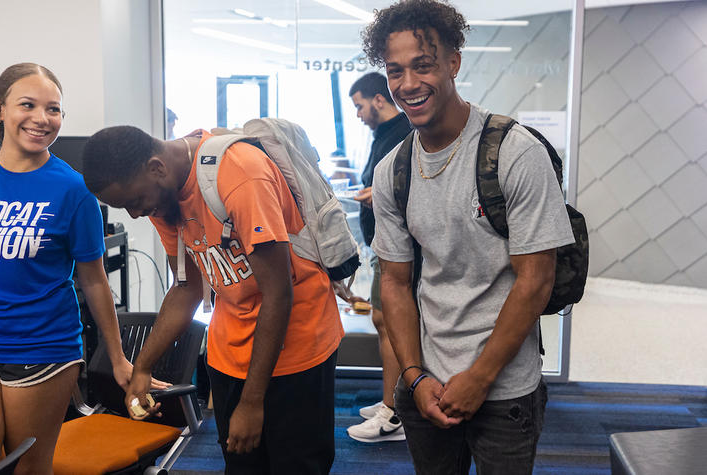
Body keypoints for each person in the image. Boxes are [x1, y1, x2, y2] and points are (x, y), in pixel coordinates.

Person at [363, 1, 575, 473]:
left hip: (504, 388)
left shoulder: (515, 153)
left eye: (423, 65)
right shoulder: (392, 170)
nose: (409, 85)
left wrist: (478, 378)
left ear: (453, 62)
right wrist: (415, 378)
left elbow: (536, 281)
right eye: (395, 72)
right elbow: (395, 283)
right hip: (426, 381)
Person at [81, 124, 344, 475]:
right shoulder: (164, 199)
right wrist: (142, 366)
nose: (134, 214)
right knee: (242, 464)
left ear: (157, 168)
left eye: (133, 202)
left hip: (296, 349)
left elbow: (279, 293)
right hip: (229, 352)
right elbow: (187, 286)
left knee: (294, 466)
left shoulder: (240, 174)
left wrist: (251, 403)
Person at [0, 63, 145, 474]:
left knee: (27, 467)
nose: (42, 119)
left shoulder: (73, 189)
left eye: (54, 109)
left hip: (41, 345)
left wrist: (117, 357)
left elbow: (93, 280)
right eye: (28, 105)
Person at [346, 72, 412, 443]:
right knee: (383, 321)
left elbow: (410, 190)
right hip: (384, 246)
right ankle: (394, 400)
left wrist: (378, 195)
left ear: (378, 99)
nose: (358, 114)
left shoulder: (404, 134)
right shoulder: (383, 136)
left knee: (389, 322)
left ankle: (395, 413)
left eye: (360, 105)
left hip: (397, 248)